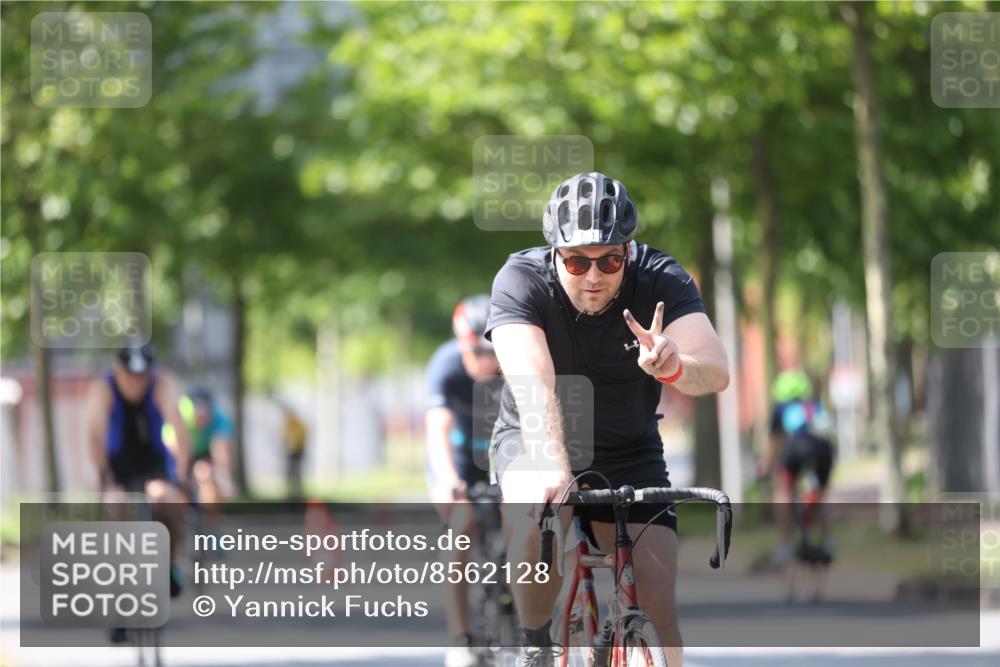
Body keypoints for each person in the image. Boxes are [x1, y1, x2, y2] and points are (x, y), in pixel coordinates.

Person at [486, 172, 730, 667]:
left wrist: (678, 366)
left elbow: (718, 371)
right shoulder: (521, 281)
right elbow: (533, 381)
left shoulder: (662, 280)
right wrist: (555, 466)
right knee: (538, 506)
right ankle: (534, 646)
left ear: (629, 251)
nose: (593, 276)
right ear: (554, 253)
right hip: (536, 439)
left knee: (659, 609)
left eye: (610, 260)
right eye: (577, 261)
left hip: (630, 450)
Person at [86, 344, 191, 643]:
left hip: (154, 463)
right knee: (117, 511)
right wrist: (104, 476)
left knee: (167, 501)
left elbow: (178, 427)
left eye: (141, 375)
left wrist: (182, 474)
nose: (135, 381)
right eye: (129, 375)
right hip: (117, 465)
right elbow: (94, 433)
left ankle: (169, 563)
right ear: (117, 370)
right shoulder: (102, 389)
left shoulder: (163, 384)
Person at [425, 294, 504, 667]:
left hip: (504, 458)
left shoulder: (515, 365)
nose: (486, 361)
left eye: (493, 352)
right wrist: (446, 480)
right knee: (461, 524)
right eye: (477, 352)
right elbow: (437, 426)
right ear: (462, 344)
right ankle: (461, 638)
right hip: (458, 462)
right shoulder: (446, 365)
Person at [762, 369, 836, 565]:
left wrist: (765, 465)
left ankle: (785, 543)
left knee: (782, 490)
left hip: (798, 448)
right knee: (820, 495)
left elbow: (774, 442)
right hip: (824, 451)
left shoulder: (780, 408)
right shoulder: (814, 404)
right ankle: (827, 540)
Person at [164, 388, 235, 524]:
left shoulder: (220, 419)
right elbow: (173, 449)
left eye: (205, 413)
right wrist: (182, 476)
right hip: (180, 454)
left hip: (204, 455)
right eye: (198, 412)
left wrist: (223, 476)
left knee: (205, 475)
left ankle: (212, 527)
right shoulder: (180, 420)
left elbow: (221, 448)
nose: (201, 417)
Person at [280, 402, 309, 501]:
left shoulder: (298, 424)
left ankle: (298, 494)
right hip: (291, 452)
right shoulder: (288, 425)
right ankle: (290, 494)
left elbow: (303, 437)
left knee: (296, 472)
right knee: (290, 473)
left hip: (298, 451)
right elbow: (284, 439)